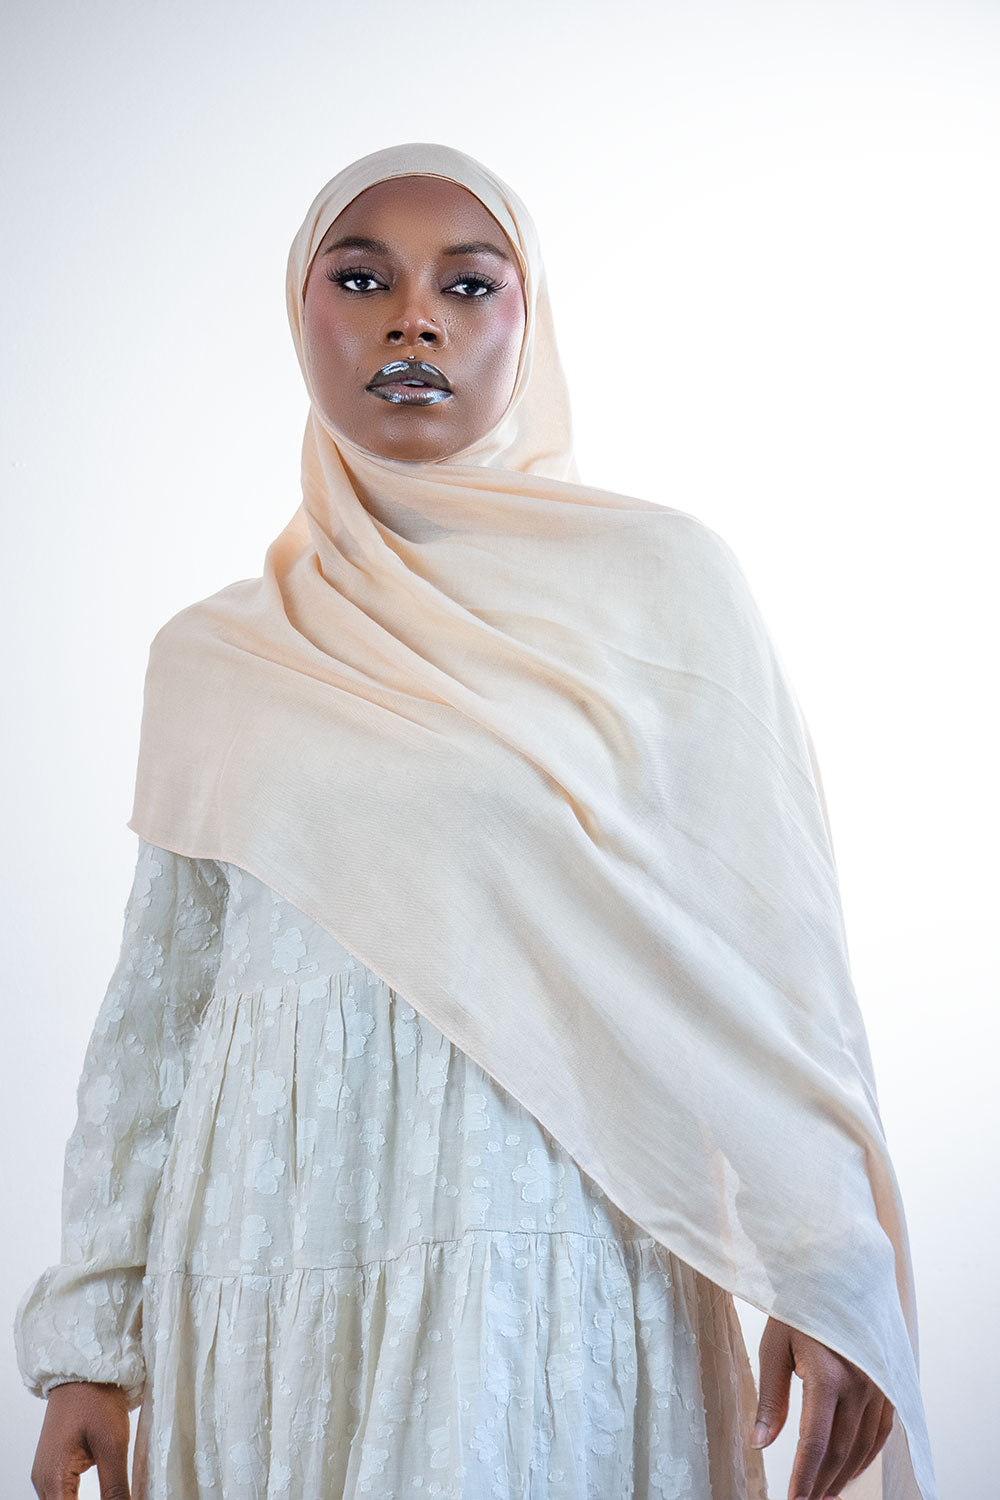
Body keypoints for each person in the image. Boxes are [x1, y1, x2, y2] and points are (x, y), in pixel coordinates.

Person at [14, 143, 936, 1500]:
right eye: (362, 277)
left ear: (530, 318)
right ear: (301, 312)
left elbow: (772, 957)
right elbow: (160, 1008)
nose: (413, 319)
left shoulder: (660, 591)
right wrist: (94, 1339)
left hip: (552, 1253)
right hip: (274, 1265)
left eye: (469, 283)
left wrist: (824, 1259)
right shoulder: (215, 656)